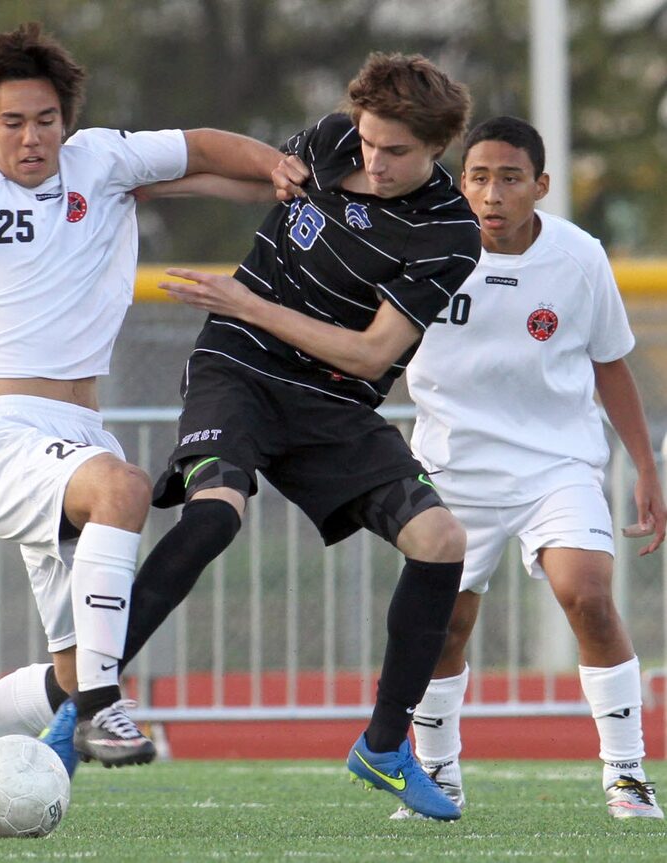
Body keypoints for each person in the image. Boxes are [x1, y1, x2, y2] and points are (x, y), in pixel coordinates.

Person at [0, 22, 289, 832]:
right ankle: (103, 707)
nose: (33, 136)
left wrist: (275, 167)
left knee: (68, 663)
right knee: (122, 492)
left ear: (67, 119)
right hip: (7, 434)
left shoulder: (100, 159)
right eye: (14, 122)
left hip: (77, 433)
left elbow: (202, 145)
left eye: (47, 119)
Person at [111, 51, 481, 822]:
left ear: (438, 149)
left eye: (397, 152)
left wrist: (244, 300)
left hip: (334, 397)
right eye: (369, 141)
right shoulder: (331, 139)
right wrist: (135, 181)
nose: (374, 160)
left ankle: (383, 745)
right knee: (215, 513)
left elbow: (373, 353)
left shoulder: (450, 233)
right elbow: (256, 172)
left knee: (443, 539)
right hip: (237, 367)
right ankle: (88, 694)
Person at [398, 115, 666, 820]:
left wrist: (645, 465)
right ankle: (439, 774)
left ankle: (628, 773)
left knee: (588, 595)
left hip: (557, 463)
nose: (493, 193)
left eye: (510, 177)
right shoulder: (424, 251)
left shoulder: (579, 257)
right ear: (461, 183)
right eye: (480, 176)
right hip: (452, 472)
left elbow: (611, 365)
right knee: (445, 628)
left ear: (541, 186)